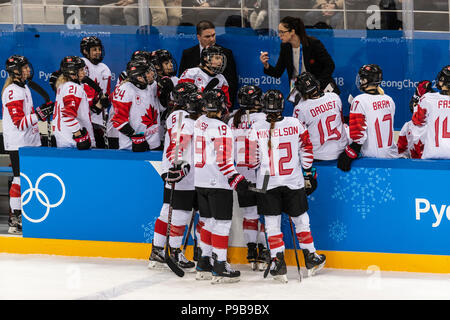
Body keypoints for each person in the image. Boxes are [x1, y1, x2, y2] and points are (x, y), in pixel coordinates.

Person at [247, 89, 325, 283]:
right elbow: (307, 150)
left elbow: (251, 161)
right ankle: (310, 256)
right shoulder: (295, 124)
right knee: (301, 219)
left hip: (267, 182)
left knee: (272, 223)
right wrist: (307, 173)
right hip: (293, 181)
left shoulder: (255, 127)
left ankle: (277, 262)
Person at [193, 89, 251, 284]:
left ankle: (203, 261)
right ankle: (219, 265)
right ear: (222, 107)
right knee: (222, 224)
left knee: (207, 222)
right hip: (218, 182)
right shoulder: (222, 128)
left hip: (200, 181)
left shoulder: (199, 122)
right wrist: (236, 178)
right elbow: (224, 161)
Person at [148, 82, 203, 272]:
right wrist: (179, 164)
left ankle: (157, 250)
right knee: (181, 212)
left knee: (167, 210)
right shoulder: (181, 116)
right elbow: (179, 143)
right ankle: (174, 251)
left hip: (174, 169)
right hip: (182, 171)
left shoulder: (176, 115)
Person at [1, 55, 54, 234]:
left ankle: (24, 215)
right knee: (19, 179)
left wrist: (38, 116)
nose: (28, 70)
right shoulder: (12, 91)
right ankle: (15, 218)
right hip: (18, 143)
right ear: (15, 71)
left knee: (29, 179)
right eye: (23, 68)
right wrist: (39, 114)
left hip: (30, 141)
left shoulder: (24, 88)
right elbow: (19, 123)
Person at [228, 85, 270, 271]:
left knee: (250, 216)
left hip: (241, 176)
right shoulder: (265, 118)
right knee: (268, 215)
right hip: (262, 175)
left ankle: (252, 252)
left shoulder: (232, 120)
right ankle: (264, 250)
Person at [337, 64, 398, 172]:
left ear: (365, 80)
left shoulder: (359, 100)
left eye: (361, 78)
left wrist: (349, 154)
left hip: (371, 159)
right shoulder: (389, 100)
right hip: (391, 156)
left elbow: (358, 136)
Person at [259, 16, 339, 94]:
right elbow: (277, 72)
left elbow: (330, 65)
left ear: (292, 32)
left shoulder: (313, 44)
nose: (279, 35)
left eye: (282, 32)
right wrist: (266, 65)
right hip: (300, 92)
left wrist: (317, 84)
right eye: (279, 31)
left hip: (321, 90)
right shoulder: (285, 47)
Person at [178, 20, 238, 108]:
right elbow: (182, 82)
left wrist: (227, 108)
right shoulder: (188, 53)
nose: (212, 39)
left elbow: (232, 82)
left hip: (216, 109)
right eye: (207, 36)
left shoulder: (226, 53)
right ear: (198, 37)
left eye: (213, 35)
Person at [292, 72, 348, 161]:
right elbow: (342, 120)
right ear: (317, 84)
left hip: (317, 155)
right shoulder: (334, 97)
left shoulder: (300, 108)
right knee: (346, 127)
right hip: (341, 151)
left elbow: (297, 137)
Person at [111, 59, 161, 151]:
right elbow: (118, 121)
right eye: (148, 72)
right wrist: (135, 137)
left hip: (154, 143)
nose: (152, 74)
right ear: (139, 77)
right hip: (132, 146)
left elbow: (161, 108)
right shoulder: (125, 89)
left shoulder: (152, 85)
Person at [52, 56, 95, 150]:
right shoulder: (73, 87)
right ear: (72, 73)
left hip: (64, 138)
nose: (84, 72)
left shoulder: (63, 85)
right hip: (72, 142)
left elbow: (80, 113)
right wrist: (79, 136)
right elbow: (68, 115)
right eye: (80, 70)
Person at [80, 36, 112, 149]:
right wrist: (94, 105)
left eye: (99, 49)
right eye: (94, 49)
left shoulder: (105, 68)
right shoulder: (81, 64)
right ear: (85, 51)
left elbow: (107, 92)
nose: (98, 52)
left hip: (99, 117)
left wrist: (104, 102)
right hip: (84, 115)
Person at [411, 66, 450, 159]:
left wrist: (415, 106)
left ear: (442, 81)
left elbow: (417, 121)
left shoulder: (428, 98)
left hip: (433, 153)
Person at [178, 45, 231, 110]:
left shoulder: (222, 79)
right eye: (217, 58)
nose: (220, 61)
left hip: (210, 117)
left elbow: (226, 104)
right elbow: (178, 97)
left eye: (221, 59)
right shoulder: (191, 73)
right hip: (190, 115)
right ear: (206, 58)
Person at [397, 80, 434, 159]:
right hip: (414, 168)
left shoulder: (437, 126)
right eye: (417, 104)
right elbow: (401, 152)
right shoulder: (407, 127)